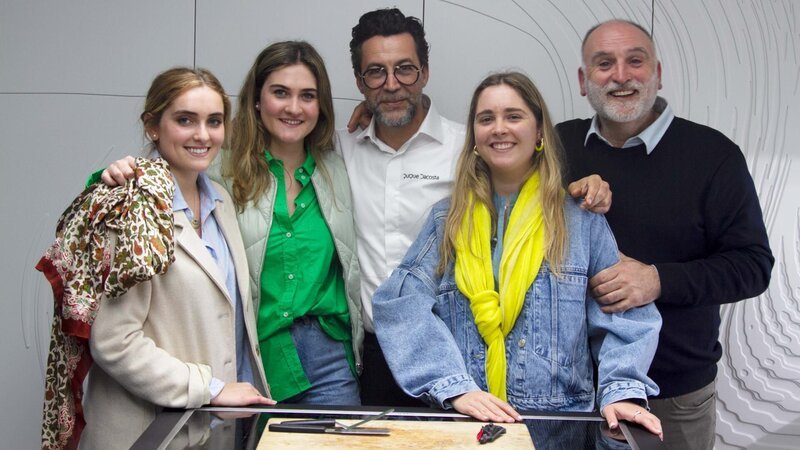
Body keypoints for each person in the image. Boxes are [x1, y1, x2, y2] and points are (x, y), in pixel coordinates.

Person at [340, 7, 613, 407]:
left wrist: (590, 188)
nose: (392, 84)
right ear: (360, 82)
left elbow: (530, 188)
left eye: (405, 69)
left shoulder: (467, 148)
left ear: (425, 72)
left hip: (461, 350)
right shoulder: (339, 149)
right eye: (376, 73)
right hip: (373, 351)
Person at [372, 71, 663, 439]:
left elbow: (625, 316)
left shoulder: (579, 220)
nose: (499, 128)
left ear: (540, 132)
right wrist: (454, 386)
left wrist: (621, 390)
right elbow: (398, 304)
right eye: (486, 118)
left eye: (514, 116)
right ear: (474, 136)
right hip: (468, 431)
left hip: (560, 433)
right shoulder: (447, 220)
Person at [96, 42, 364, 406]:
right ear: (256, 99)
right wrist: (111, 175)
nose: (294, 107)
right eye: (280, 93)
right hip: (255, 355)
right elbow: (153, 182)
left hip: (330, 358)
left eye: (308, 96)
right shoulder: (219, 169)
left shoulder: (339, 165)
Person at [557, 20, 774, 449]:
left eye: (635, 61)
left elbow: (753, 266)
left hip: (670, 396)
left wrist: (657, 280)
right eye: (605, 64)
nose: (621, 75)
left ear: (658, 72)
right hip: (566, 394)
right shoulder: (557, 147)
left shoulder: (713, 156)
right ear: (584, 81)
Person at [66, 68, 272, 450]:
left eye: (214, 121)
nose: (202, 135)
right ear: (152, 127)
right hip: (147, 432)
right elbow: (114, 341)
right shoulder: (131, 208)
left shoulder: (222, 203)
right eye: (185, 120)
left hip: (211, 430)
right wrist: (210, 389)